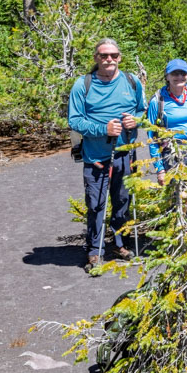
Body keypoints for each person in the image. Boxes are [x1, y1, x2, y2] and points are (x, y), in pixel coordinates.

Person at [68, 39, 146, 271]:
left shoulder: (132, 81)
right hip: (96, 157)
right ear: (96, 58)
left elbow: (142, 110)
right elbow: (74, 121)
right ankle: (95, 250)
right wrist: (103, 129)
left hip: (125, 153)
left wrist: (137, 121)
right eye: (104, 56)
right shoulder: (83, 85)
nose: (109, 59)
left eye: (113, 55)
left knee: (122, 201)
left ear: (120, 57)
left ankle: (119, 243)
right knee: (96, 203)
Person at [146, 58, 187, 224]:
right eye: (175, 73)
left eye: (183, 73)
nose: (179, 77)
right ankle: (174, 235)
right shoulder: (158, 100)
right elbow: (152, 136)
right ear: (167, 76)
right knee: (176, 194)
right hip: (170, 151)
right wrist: (159, 168)